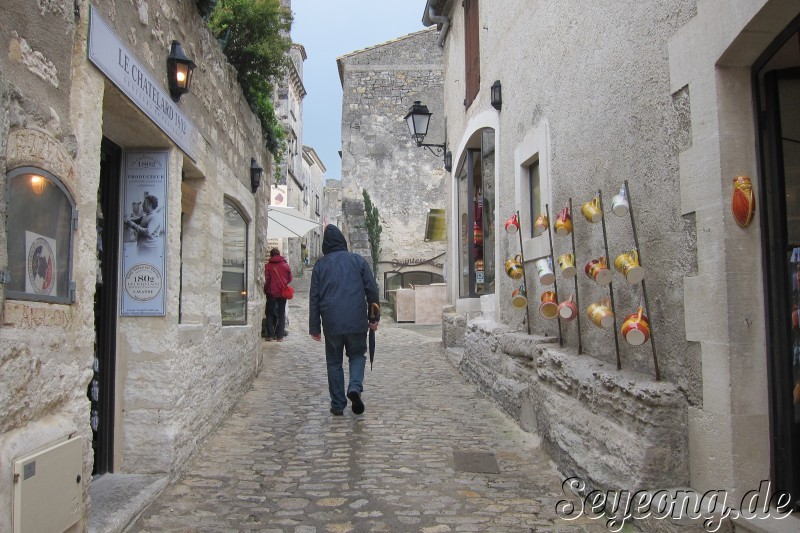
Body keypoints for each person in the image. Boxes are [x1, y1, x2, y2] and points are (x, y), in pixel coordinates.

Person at [309, 225, 379, 416]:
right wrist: (373, 317)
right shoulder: (357, 261)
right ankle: (354, 387)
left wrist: (315, 327)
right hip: (356, 320)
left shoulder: (320, 265)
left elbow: (314, 297)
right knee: (357, 355)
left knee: (334, 363)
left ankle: (338, 404)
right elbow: (372, 289)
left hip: (331, 323)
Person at [263, 248, 292, 341]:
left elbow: (266, 280)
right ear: (279, 254)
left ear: (271, 256)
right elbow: (290, 278)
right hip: (282, 293)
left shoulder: (268, 266)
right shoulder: (285, 265)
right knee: (281, 314)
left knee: (269, 314)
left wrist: (265, 289)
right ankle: (280, 336)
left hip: (271, 293)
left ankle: (270, 335)